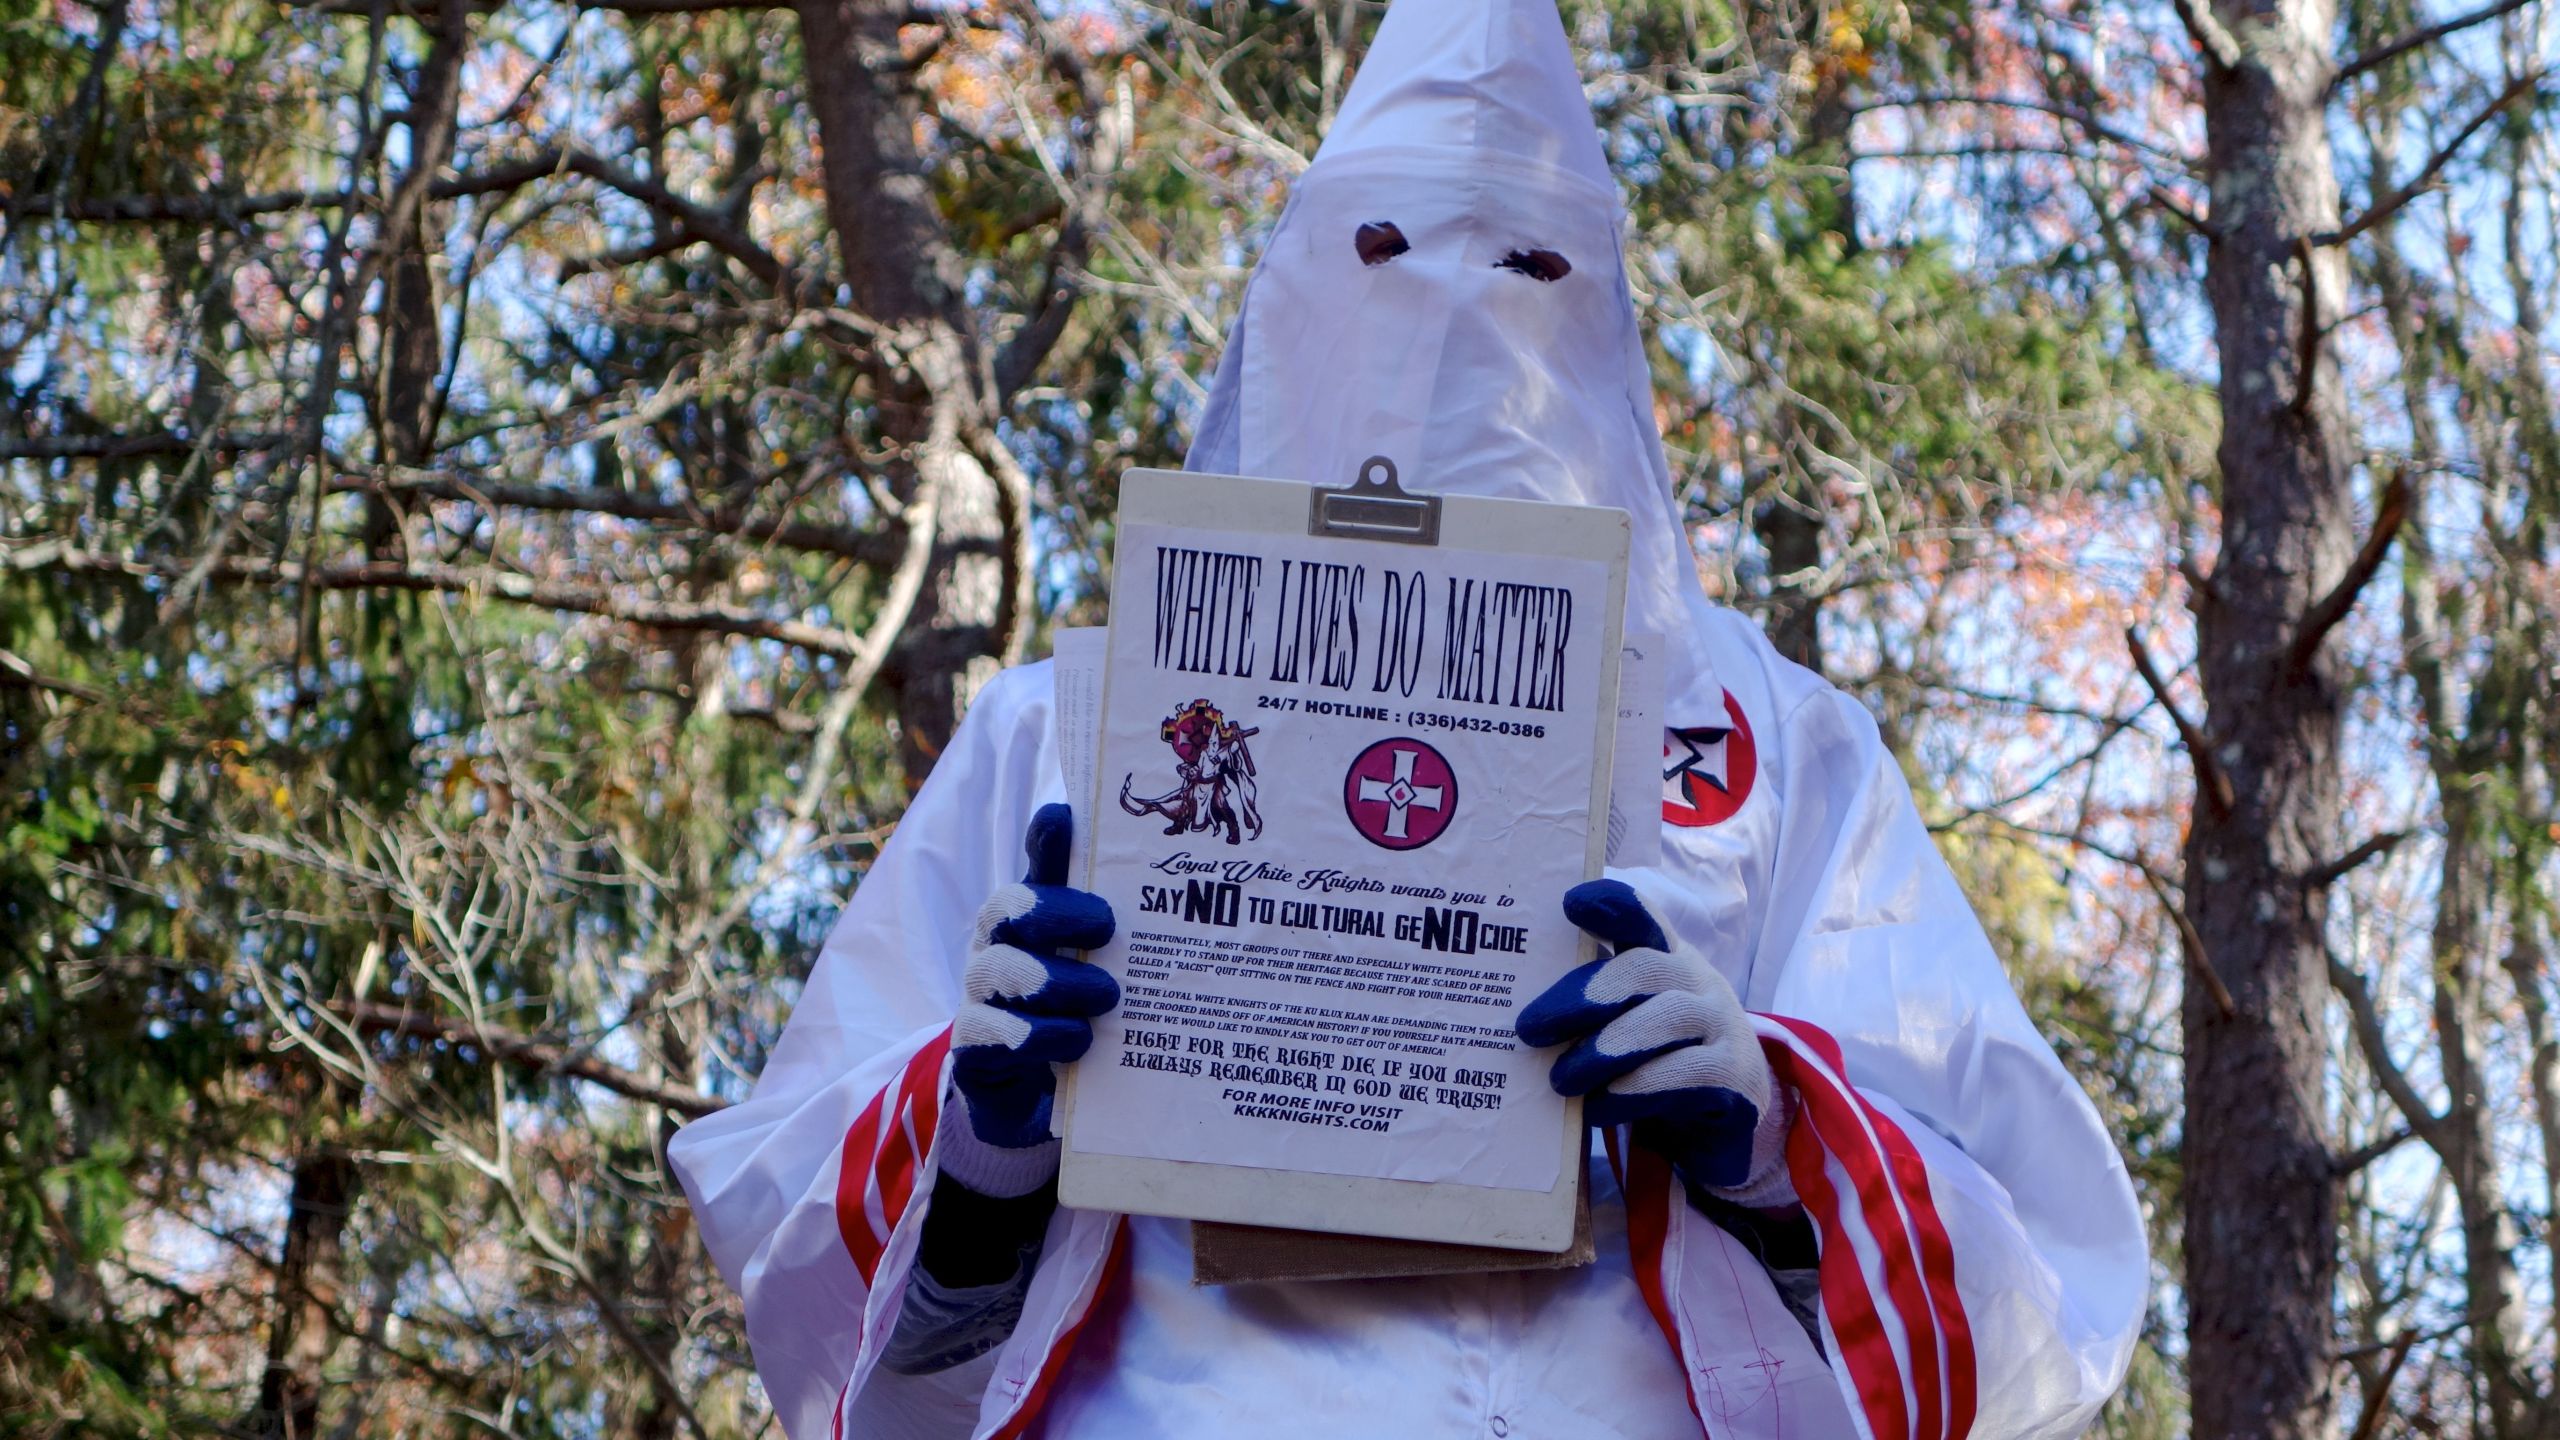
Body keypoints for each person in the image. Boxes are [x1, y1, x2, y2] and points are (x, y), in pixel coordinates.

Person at [667, 0, 2150, 1435]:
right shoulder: (1074, 725)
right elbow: (801, 1254)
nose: (1454, 310)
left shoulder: (1771, 745)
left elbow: (2034, 1278)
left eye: (1529, 263)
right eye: (1383, 251)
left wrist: (1774, 1137)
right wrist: (983, 1135)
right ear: (1294, 292)